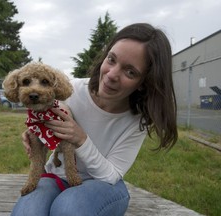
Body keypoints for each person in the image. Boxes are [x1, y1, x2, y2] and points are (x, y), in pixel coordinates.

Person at [11, 23, 178, 216]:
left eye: (130, 72)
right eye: (111, 59)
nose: (112, 75)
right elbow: (43, 115)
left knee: (68, 209)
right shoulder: (71, 91)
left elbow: (111, 175)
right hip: (56, 176)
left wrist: (81, 139)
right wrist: (36, 132)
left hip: (105, 186)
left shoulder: (137, 121)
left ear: (144, 83)